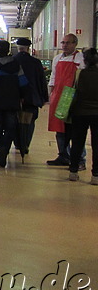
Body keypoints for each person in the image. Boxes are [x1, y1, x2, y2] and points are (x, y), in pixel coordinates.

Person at [0, 40, 29, 167]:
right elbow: (23, 83)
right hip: (12, 101)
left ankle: (0, 151)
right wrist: (22, 97)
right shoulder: (16, 65)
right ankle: (5, 150)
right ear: (8, 50)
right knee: (10, 128)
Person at [47, 33, 85, 169]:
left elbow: (82, 78)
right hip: (58, 95)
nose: (64, 45)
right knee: (60, 128)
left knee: (74, 130)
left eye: (68, 43)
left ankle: (80, 159)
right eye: (63, 43)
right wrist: (51, 93)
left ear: (75, 44)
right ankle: (63, 155)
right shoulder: (57, 58)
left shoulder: (80, 58)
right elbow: (53, 76)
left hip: (72, 96)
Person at [12, 37, 48, 156]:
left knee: (16, 120)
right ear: (28, 48)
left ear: (18, 48)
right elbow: (42, 81)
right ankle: (26, 143)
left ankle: (17, 143)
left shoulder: (12, 61)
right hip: (32, 97)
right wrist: (44, 98)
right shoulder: (36, 62)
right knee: (29, 121)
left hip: (15, 97)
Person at [67, 47, 98, 184]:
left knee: (77, 143)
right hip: (97, 113)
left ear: (84, 60)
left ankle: (73, 171)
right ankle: (95, 175)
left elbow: (73, 91)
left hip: (79, 112)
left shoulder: (79, 74)